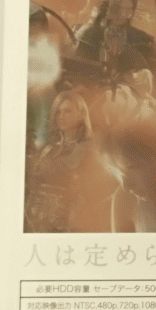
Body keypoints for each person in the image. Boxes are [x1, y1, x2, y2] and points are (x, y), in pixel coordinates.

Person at [25, 91, 119, 232]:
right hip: (41, 223)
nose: (61, 116)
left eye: (67, 111)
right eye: (58, 111)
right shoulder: (48, 149)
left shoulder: (93, 148)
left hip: (76, 223)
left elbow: (104, 189)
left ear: (81, 114)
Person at [74, 0, 156, 81]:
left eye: (128, 9)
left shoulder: (142, 41)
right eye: (117, 8)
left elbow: (150, 78)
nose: (122, 14)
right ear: (106, 7)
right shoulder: (88, 34)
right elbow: (77, 71)